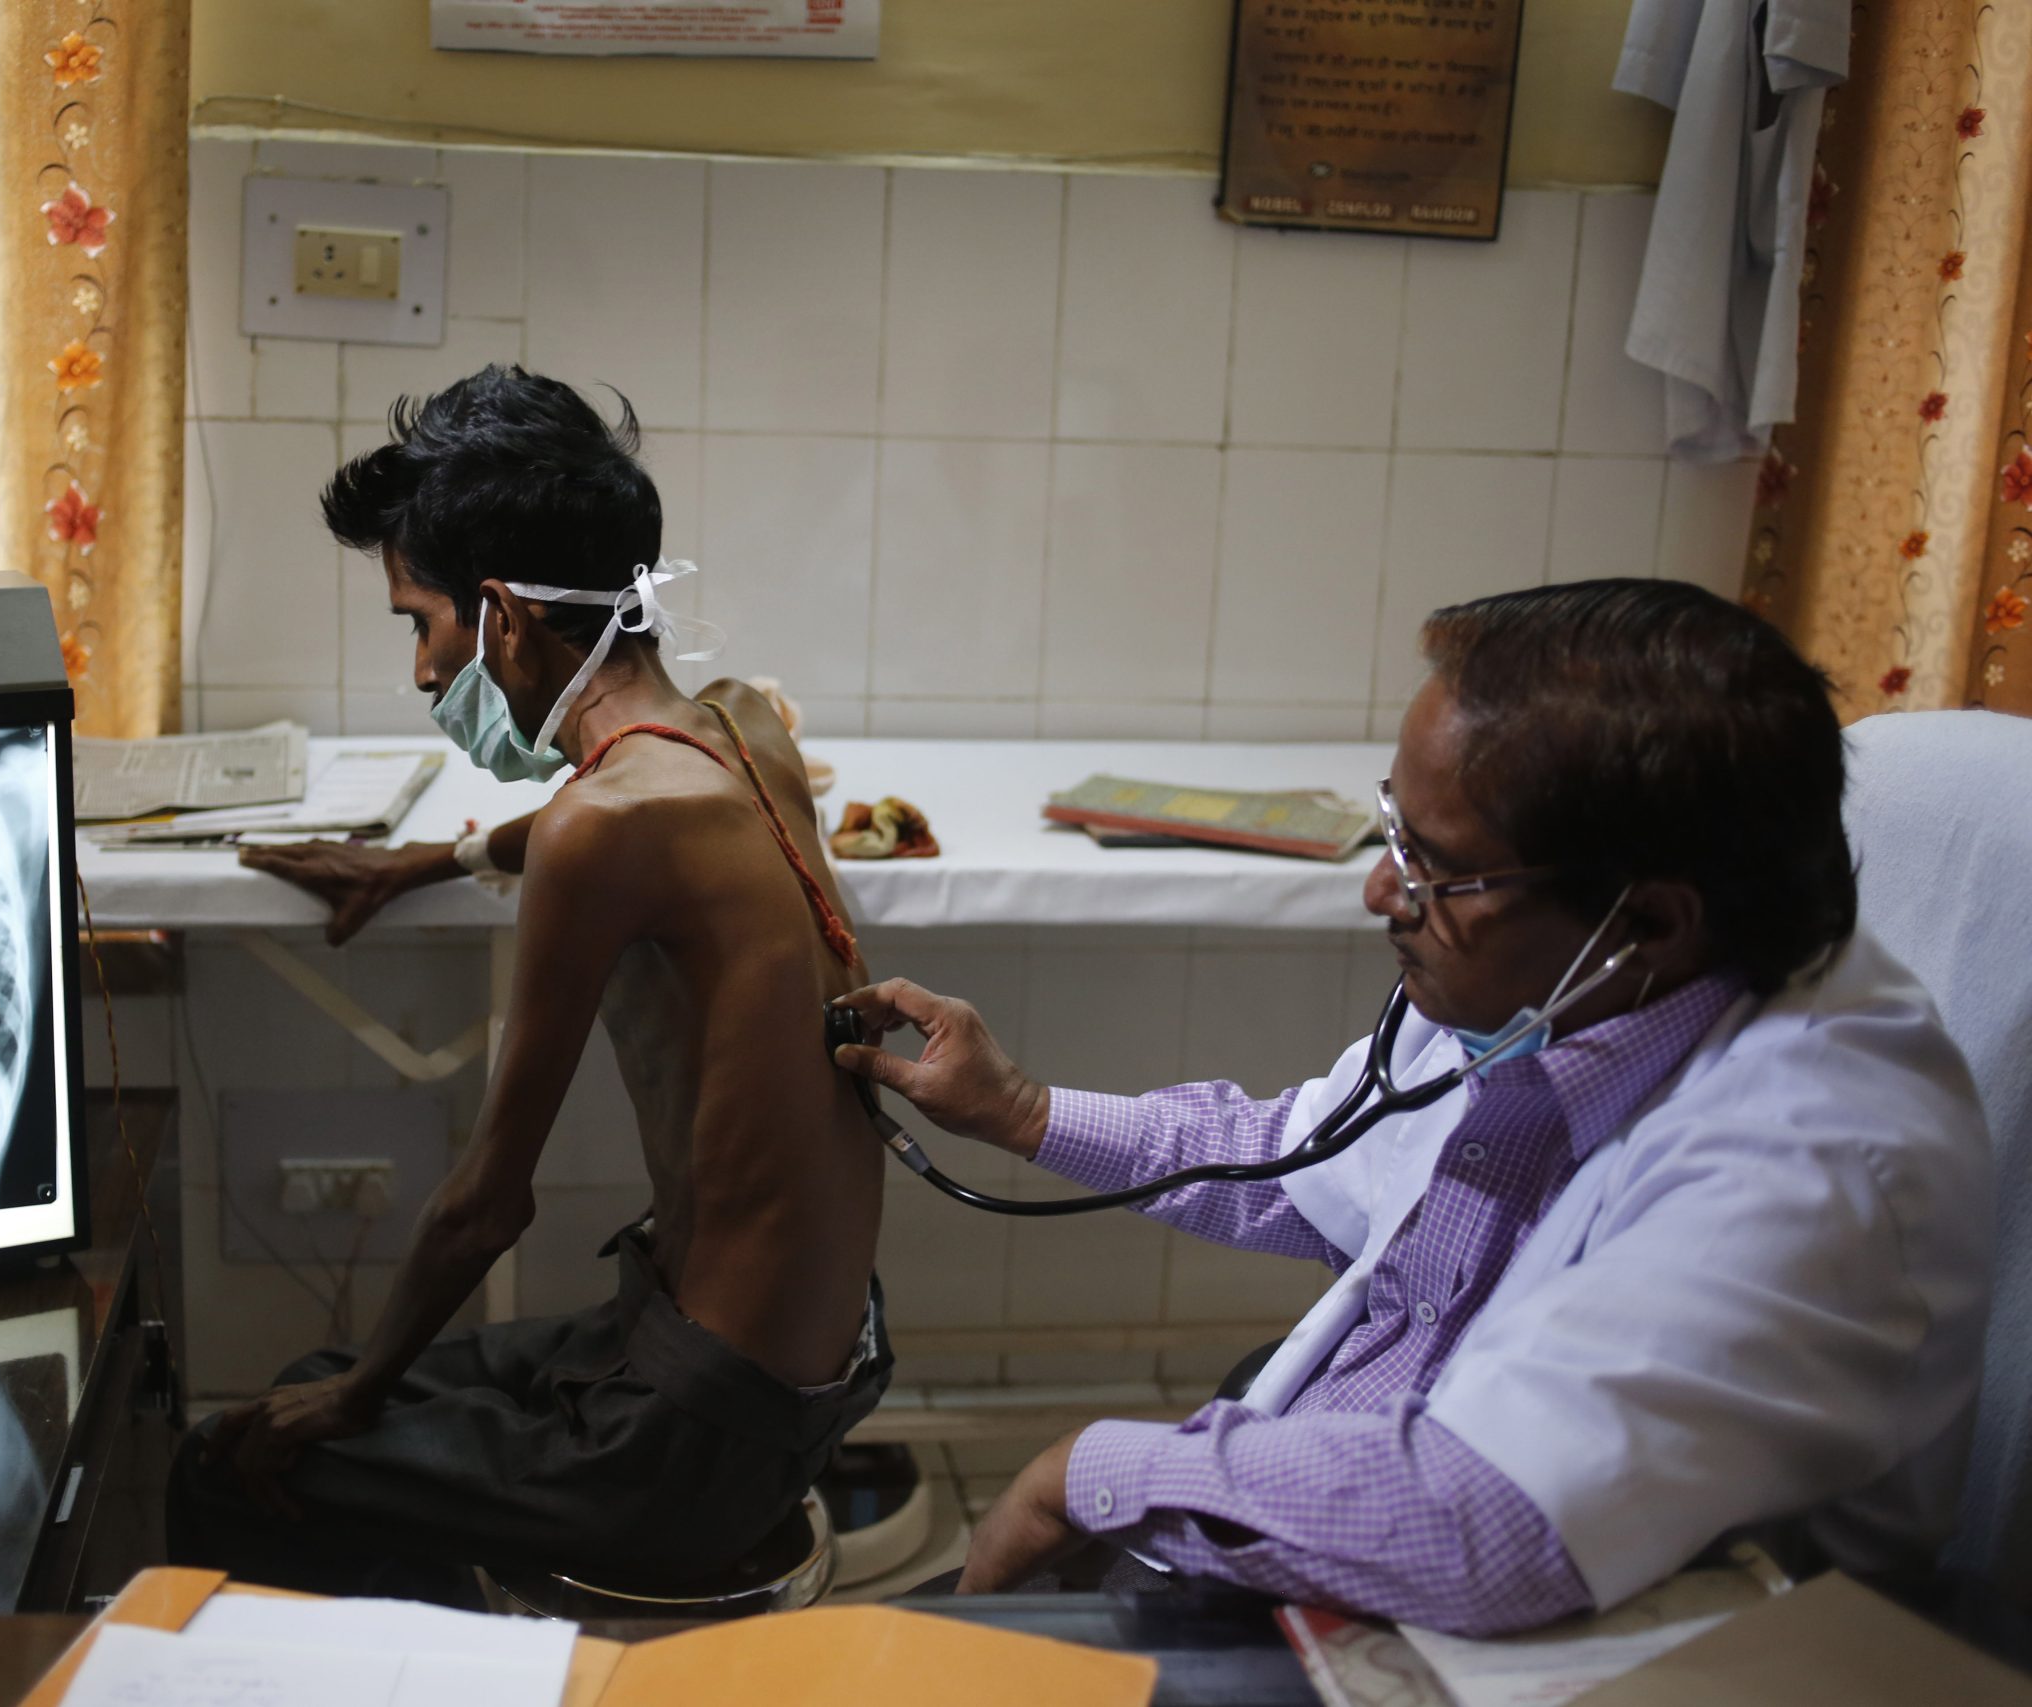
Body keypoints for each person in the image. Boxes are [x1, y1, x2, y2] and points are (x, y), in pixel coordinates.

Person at [832, 580, 1992, 1635]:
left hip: (1544, 1637)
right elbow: (1295, 1156)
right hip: (1335, 1522)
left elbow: (1483, 1529)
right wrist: (1021, 1109)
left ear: (1648, 920)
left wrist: (1091, 1471)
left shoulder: (1813, 1163)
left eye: (1435, 867)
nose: (1383, 890)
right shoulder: (1556, 985)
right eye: (1396, 828)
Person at [165, 365, 892, 1604]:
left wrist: (356, 1397)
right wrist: (432, 858)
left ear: (497, 615)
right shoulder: (742, 731)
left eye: (416, 622)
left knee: (232, 1464)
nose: (416, 671)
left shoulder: (597, 832)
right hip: (813, 1365)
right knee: (322, 1373)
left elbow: (483, 1209)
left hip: (692, 1440)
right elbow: (601, 820)